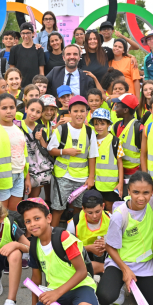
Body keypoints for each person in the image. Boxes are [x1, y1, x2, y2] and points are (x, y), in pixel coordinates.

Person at [96, 171, 153, 305]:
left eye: (146, 192)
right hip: (119, 263)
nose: (141, 197)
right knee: (105, 296)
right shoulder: (119, 216)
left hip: (144, 265)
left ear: (152, 192)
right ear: (129, 191)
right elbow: (109, 247)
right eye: (135, 192)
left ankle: (134, 285)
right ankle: (120, 284)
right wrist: (125, 269)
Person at [19, 197, 99, 305]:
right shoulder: (34, 245)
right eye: (28, 221)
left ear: (48, 218)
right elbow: (36, 278)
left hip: (80, 286)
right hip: (54, 290)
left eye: (37, 218)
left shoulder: (63, 237)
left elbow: (82, 272)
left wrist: (57, 293)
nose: (32, 224)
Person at [47, 96, 97, 227]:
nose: (79, 114)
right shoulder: (61, 129)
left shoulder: (89, 131)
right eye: (75, 111)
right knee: (58, 208)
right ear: (70, 112)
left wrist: (91, 177)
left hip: (82, 178)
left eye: (82, 111)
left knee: (79, 209)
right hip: (63, 175)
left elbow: (92, 156)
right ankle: (52, 236)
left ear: (87, 113)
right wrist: (65, 151)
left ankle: (74, 235)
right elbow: (50, 149)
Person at [0, 93, 30, 211]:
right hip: (0, 181)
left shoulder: (19, 130)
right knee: (1, 214)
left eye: (12, 107)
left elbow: (24, 156)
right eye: (4, 108)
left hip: (19, 178)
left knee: (14, 214)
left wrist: (27, 178)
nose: (9, 111)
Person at [66, 189, 110, 275]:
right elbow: (67, 250)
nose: (94, 216)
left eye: (98, 211)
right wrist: (89, 248)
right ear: (83, 209)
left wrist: (107, 245)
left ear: (103, 206)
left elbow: (121, 242)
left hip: (106, 256)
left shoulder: (111, 219)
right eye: (90, 213)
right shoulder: (74, 223)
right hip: (82, 260)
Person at [89, 108, 123, 211]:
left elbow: (120, 163)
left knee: (110, 207)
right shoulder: (92, 139)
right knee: (97, 208)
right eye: (96, 124)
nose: (99, 127)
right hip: (96, 183)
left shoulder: (115, 141)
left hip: (111, 185)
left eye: (102, 124)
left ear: (108, 124)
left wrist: (120, 183)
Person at [111, 93, 144, 194]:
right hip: (119, 173)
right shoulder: (116, 126)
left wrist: (140, 175)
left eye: (118, 106)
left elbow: (145, 153)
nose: (115, 108)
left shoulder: (139, 128)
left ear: (125, 110)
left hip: (134, 174)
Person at [9, 23, 46, 88]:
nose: (26, 36)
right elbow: (12, 69)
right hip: (19, 86)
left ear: (33, 34)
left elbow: (41, 72)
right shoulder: (14, 49)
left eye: (28, 33)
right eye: (23, 33)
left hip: (34, 86)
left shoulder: (38, 49)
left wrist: (41, 86)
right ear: (20, 34)